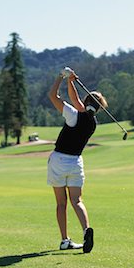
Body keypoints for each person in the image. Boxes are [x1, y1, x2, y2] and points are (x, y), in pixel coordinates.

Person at [47, 68, 108, 253]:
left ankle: (65, 240)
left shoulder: (73, 115)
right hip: (76, 163)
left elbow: (53, 96)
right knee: (77, 200)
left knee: (61, 203)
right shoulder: (92, 123)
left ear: (86, 102)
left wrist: (62, 76)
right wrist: (71, 81)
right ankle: (85, 229)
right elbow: (78, 102)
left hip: (58, 161)